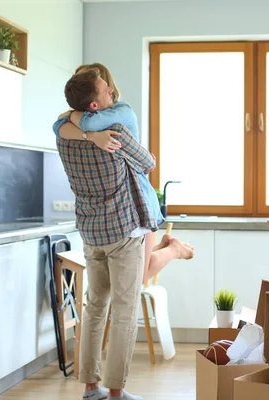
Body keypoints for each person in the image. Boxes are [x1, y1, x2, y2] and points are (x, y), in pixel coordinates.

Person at [53, 68, 188, 400]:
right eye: (105, 91)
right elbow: (148, 162)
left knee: (95, 306)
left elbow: (60, 124)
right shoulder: (118, 132)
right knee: (125, 309)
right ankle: (115, 392)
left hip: (92, 233)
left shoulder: (64, 137)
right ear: (95, 106)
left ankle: (90, 388)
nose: (112, 93)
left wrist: (83, 129)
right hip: (125, 232)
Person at [53, 64, 194, 286]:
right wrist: (88, 134)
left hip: (140, 201)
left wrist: (74, 117)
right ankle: (166, 246)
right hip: (124, 207)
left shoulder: (121, 112)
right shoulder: (86, 117)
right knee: (133, 267)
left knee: (140, 276)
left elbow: (81, 122)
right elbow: (58, 127)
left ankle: (174, 249)